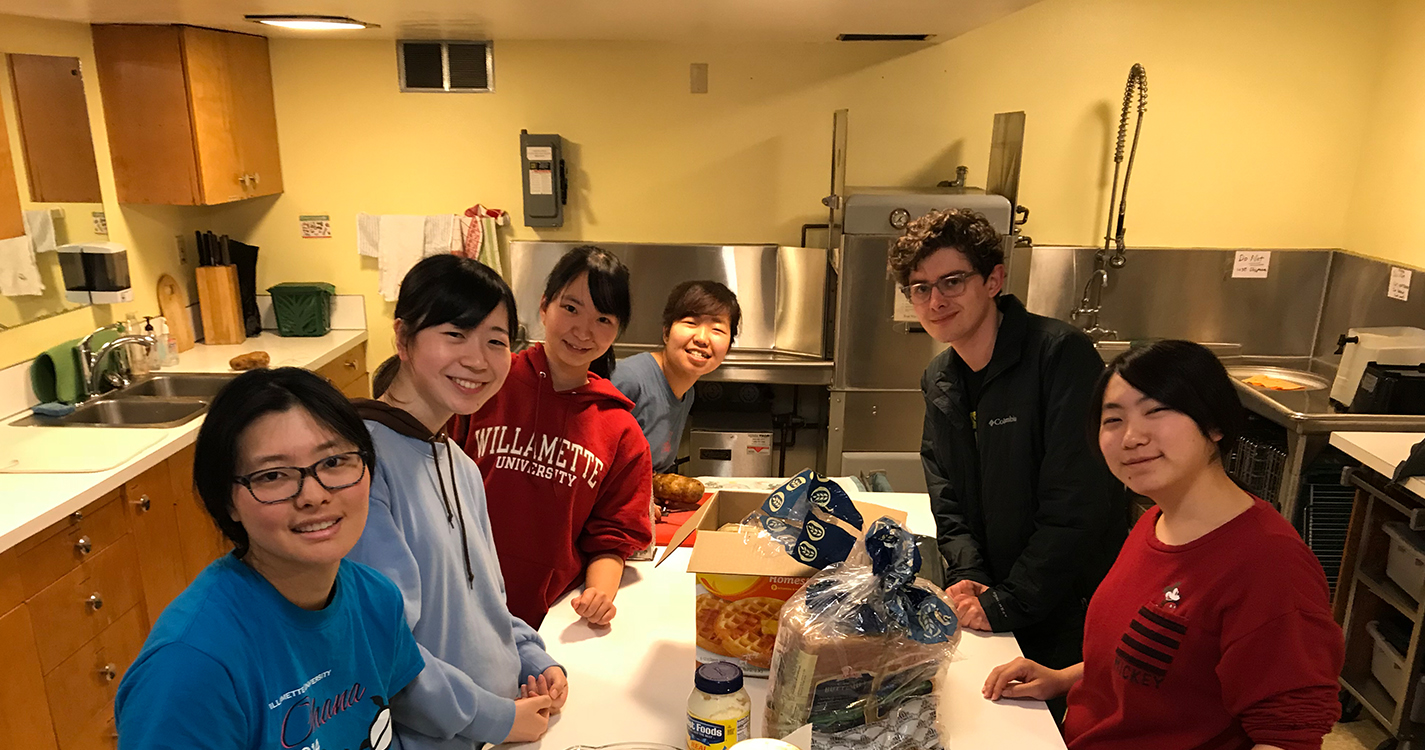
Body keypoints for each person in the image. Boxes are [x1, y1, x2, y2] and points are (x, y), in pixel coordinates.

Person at [983, 340, 1344, 749]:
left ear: (1214, 423)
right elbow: (1159, 664)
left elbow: (1288, 736)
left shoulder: (1270, 564)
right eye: (1113, 419)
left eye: (1156, 411)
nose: (1132, 437)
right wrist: (1062, 678)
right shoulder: (1154, 522)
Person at [115, 367, 424, 750]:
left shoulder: (376, 601)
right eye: (273, 475)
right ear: (228, 500)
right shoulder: (190, 668)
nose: (313, 495)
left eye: (333, 462)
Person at [888, 208, 1127, 677]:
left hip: (1066, 608)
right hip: (992, 602)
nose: (936, 301)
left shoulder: (1060, 355)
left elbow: (1078, 501)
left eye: (952, 281)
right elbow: (946, 492)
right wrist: (967, 574)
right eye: (921, 288)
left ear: (993, 279)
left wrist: (1010, 600)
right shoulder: (939, 378)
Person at [347, 254, 564, 749]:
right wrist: (497, 719)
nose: (478, 359)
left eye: (495, 341)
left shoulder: (459, 463)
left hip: (494, 729)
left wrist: (535, 660)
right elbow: (387, 653)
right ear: (402, 338)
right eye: (455, 334)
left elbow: (481, 603)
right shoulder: (360, 466)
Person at [451, 245, 654, 629]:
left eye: (603, 319)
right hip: (456, 600)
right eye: (571, 308)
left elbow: (612, 537)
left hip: (549, 618)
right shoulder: (488, 380)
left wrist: (599, 596)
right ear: (544, 306)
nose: (583, 331)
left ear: (617, 330)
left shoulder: (620, 429)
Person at [612, 280, 741, 472]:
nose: (702, 338)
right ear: (666, 332)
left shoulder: (687, 393)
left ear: (729, 346)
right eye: (691, 323)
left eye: (717, 330)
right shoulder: (629, 380)